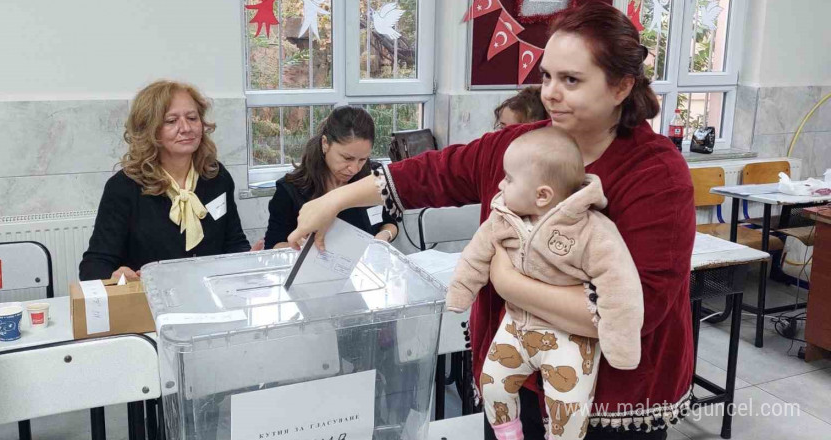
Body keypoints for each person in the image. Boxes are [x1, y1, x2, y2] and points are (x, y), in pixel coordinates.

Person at [287, 3, 695, 439]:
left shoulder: (656, 173)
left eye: (571, 80)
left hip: (611, 399)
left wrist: (506, 282)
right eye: (547, 76)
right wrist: (334, 201)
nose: (550, 93)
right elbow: (434, 173)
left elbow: (636, 311)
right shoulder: (522, 144)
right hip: (518, 380)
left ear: (622, 86)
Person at [446, 128, 643, 440]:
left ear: (542, 195)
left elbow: (620, 286)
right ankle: (508, 432)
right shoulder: (503, 218)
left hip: (570, 337)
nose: (500, 184)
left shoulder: (591, 230)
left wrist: (623, 344)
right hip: (516, 326)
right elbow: (475, 255)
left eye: (509, 179)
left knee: (569, 407)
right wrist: (460, 292)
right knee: (492, 383)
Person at [80, 80, 251, 281]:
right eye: (171, 121)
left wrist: (249, 259)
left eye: (192, 117)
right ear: (149, 129)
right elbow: (92, 266)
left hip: (210, 298)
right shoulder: (124, 187)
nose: (186, 128)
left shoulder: (216, 176)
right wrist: (115, 275)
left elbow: (234, 243)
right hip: (150, 305)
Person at [263, 106, 398, 250]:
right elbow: (273, 244)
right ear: (325, 144)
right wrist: (301, 246)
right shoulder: (290, 189)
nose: (354, 168)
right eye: (347, 158)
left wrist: (384, 235)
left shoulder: (374, 177)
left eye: (362, 159)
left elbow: (390, 223)